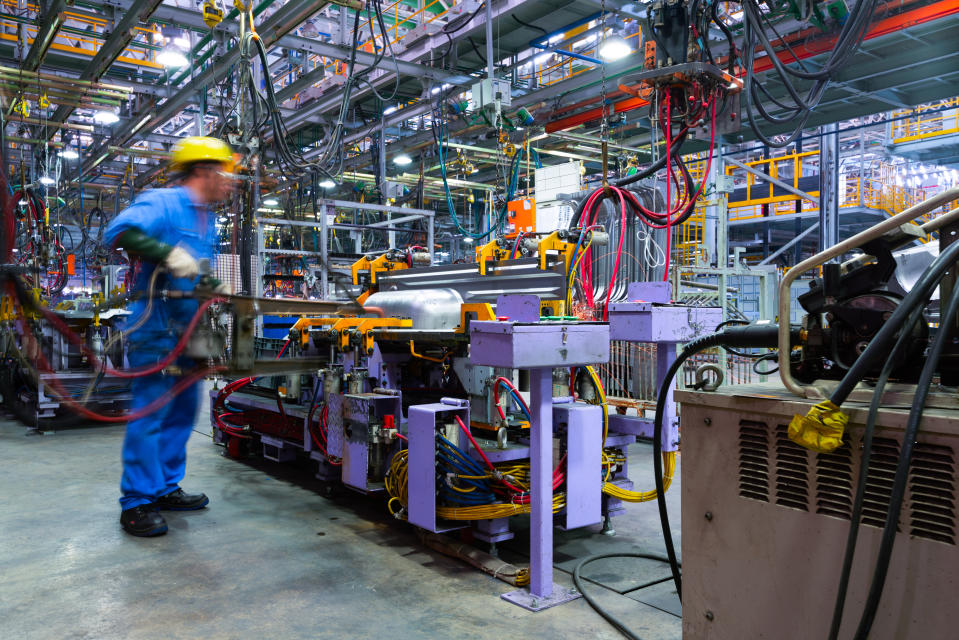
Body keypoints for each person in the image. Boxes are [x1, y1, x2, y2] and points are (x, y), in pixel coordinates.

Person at [105, 136, 235, 537]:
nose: (229, 182)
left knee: (183, 411)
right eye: (225, 173)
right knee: (151, 412)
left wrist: (212, 281)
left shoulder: (205, 218)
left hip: (189, 329)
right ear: (204, 170)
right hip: (156, 327)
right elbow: (118, 232)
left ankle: (164, 487)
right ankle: (137, 501)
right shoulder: (163, 201)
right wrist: (166, 253)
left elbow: (195, 267)